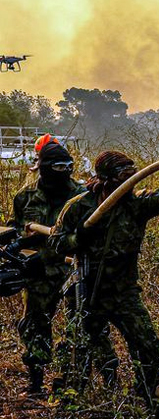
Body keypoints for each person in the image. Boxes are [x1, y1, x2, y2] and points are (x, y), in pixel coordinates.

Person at [50, 151, 159, 419]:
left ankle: (156, 409)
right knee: (76, 350)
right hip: (87, 291)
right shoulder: (80, 206)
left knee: (148, 348)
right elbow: (57, 244)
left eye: (132, 173)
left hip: (124, 292)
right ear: (105, 179)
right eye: (122, 175)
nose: (128, 180)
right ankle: (67, 413)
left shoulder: (136, 204)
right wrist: (78, 237)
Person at [7, 134, 115, 395]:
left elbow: (95, 237)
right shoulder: (25, 197)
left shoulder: (82, 196)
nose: (64, 173)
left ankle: (85, 385)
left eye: (68, 167)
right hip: (38, 275)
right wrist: (19, 251)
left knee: (84, 328)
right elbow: (14, 230)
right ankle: (35, 384)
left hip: (74, 272)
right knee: (34, 326)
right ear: (42, 168)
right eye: (57, 167)